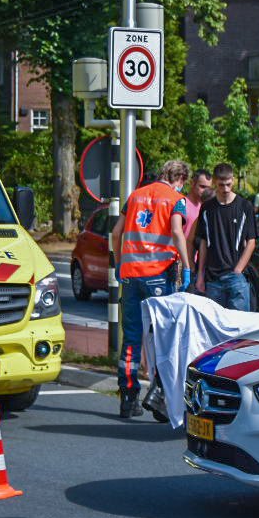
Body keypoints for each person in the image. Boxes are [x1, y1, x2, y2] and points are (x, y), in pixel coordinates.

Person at [111, 160, 194, 419]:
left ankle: (128, 398)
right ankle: (160, 396)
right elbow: (178, 233)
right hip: (159, 277)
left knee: (132, 339)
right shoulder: (175, 199)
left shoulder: (134, 196)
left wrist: (119, 263)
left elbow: (116, 232)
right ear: (179, 178)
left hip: (130, 276)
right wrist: (187, 267)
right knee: (163, 339)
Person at [194, 163, 257, 311]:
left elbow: (251, 241)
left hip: (236, 277)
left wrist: (238, 270)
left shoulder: (244, 206)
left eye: (228, 184)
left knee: (240, 328)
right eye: (221, 185)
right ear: (215, 182)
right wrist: (201, 275)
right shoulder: (207, 208)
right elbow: (203, 242)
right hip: (213, 278)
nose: (225, 189)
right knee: (215, 329)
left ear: (233, 180)